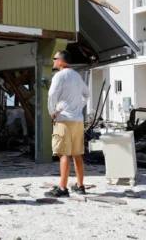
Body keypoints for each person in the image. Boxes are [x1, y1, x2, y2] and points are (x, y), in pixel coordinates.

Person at [44, 50, 90, 198]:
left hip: (64, 119)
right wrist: (79, 107)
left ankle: (63, 188)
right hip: (77, 120)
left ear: (61, 61)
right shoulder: (77, 75)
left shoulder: (59, 75)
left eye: (55, 58)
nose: (53, 61)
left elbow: (51, 95)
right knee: (77, 154)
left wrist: (52, 112)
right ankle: (80, 185)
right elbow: (87, 94)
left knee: (63, 154)